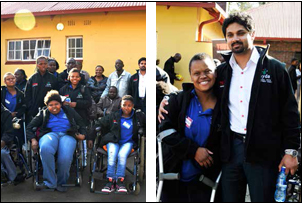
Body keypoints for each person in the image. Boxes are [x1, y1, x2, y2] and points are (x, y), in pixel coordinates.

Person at [159, 12, 300, 203]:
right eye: (230, 35)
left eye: (240, 33)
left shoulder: (274, 69)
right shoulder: (224, 71)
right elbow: (200, 84)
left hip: (264, 151)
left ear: (252, 34)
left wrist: (291, 151)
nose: (235, 38)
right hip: (230, 151)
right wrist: (168, 97)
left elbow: (290, 113)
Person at [158, 53, 222, 202]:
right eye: (197, 73)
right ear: (190, 76)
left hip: (206, 183)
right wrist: (193, 150)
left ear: (216, 72)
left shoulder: (225, 106)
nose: (203, 76)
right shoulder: (178, 101)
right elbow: (165, 132)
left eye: (207, 71)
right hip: (174, 180)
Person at [26, 90, 86, 192]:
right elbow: (29, 127)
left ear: (61, 104)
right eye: (50, 105)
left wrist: (83, 135)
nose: (54, 107)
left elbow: (81, 122)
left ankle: (62, 182)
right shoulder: (43, 113)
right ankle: (50, 182)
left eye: (56, 104)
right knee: (45, 149)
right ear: (47, 105)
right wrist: (33, 140)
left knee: (65, 158)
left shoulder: (68, 110)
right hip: (49, 134)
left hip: (68, 134)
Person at [88, 95, 145, 194]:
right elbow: (99, 123)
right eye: (124, 105)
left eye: (129, 105)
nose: (126, 108)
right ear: (120, 105)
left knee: (122, 155)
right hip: (113, 141)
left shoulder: (138, 117)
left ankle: (119, 181)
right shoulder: (114, 115)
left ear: (133, 106)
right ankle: (109, 182)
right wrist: (90, 137)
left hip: (128, 143)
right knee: (112, 154)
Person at [25, 56, 58, 121]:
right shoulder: (32, 79)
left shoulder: (53, 78)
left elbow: (56, 93)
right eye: (41, 64)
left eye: (45, 64)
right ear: (37, 65)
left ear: (47, 64)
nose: (43, 66)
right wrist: (30, 107)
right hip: (34, 110)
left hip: (49, 109)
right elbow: (27, 95)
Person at [1, 104, 25, 185]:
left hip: (3, 142)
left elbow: (8, 132)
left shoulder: (5, 113)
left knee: (3, 153)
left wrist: (3, 141)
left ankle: (12, 177)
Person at [1, 73, 26, 145]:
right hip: (3, 119)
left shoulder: (20, 94)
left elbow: (24, 106)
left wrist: (16, 113)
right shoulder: (2, 91)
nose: (11, 80)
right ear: (5, 81)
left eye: (13, 78)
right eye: (8, 79)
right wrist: (8, 113)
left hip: (16, 119)